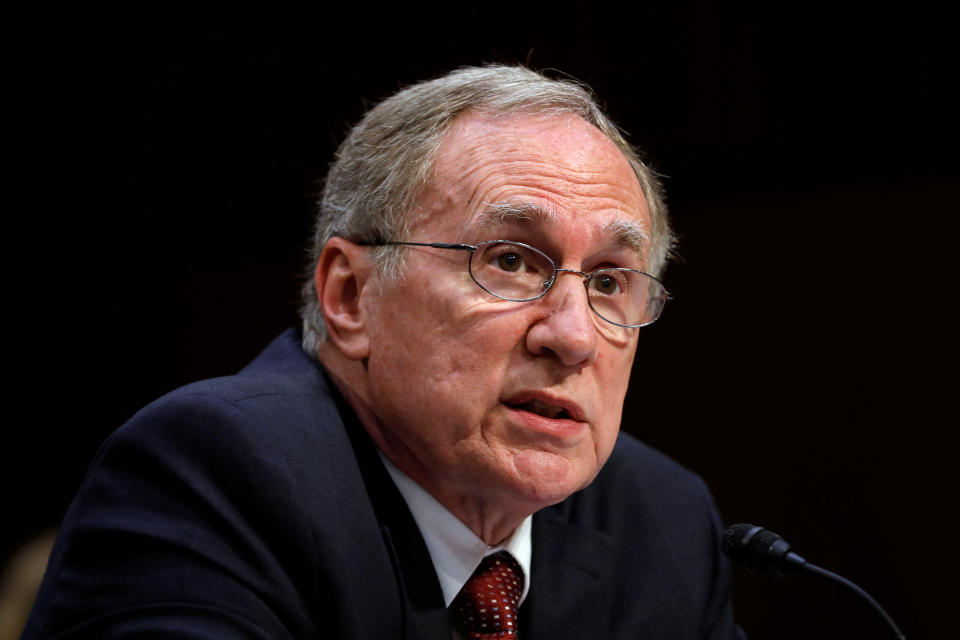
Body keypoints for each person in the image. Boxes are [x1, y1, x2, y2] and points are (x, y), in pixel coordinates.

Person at [23, 65, 744, 639]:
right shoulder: (214, 474)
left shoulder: (660, 524)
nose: (573, 335)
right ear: (350, 296)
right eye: (512, 262)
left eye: (611, 281)